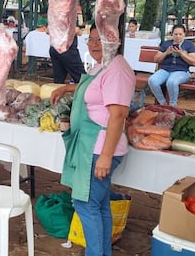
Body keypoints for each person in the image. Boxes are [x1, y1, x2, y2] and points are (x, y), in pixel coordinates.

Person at [49, 24, 135, 256]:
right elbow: (94, 89)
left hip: (99, 147)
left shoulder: (117, 69)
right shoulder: (102, 65)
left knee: (86, 205)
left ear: (115, 42)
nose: (95, 44)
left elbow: (118, 115)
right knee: (98, 205)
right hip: (91, 145)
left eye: (101, 40)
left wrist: (105, 157)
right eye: (91, 39)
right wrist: (67, 88)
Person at [147, 24, 195, 106]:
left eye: (180, 34)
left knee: (171, 82)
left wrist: (181, 53)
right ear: (172, 34)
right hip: (165, 70)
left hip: (182, 71)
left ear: (184, 34)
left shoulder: (189, 45)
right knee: (152, 80)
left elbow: (194, 61)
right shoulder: (166, 44)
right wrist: (166, 53)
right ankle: (163, 103)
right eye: (175, 34)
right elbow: (156, 59)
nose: (178, 36)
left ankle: (173, 105)